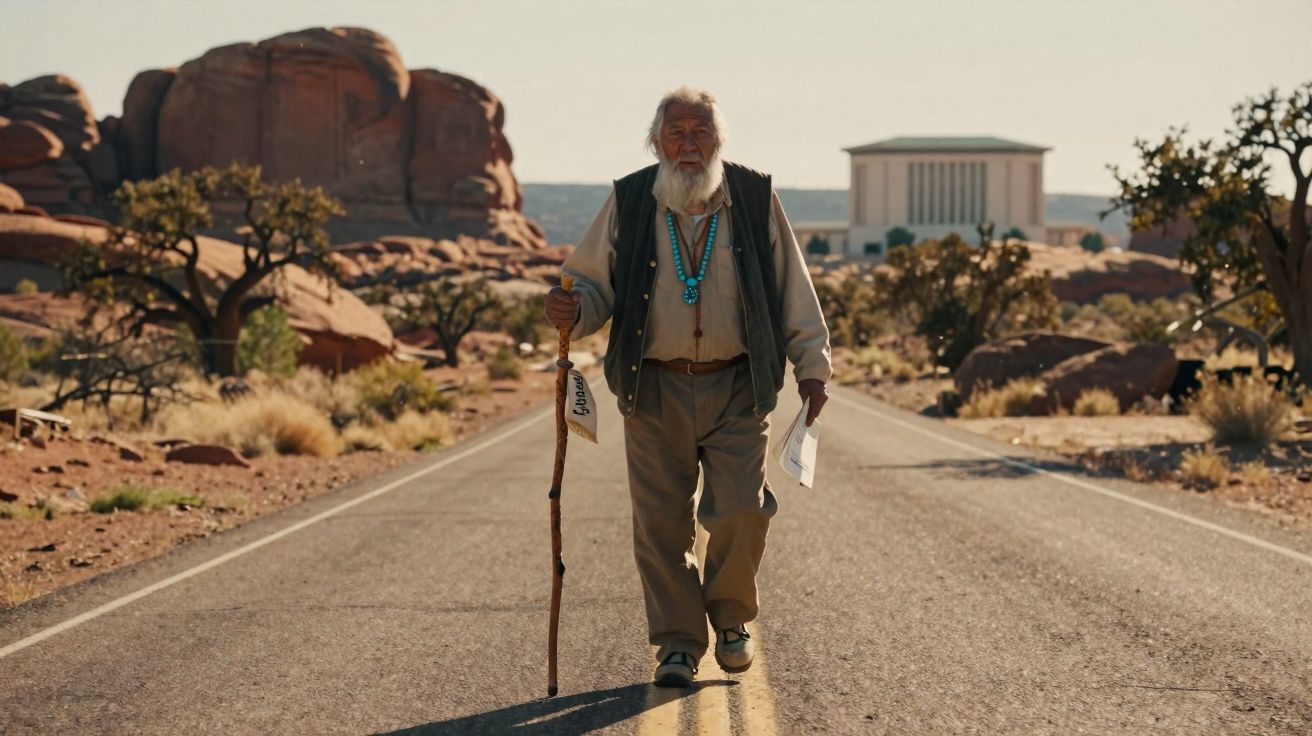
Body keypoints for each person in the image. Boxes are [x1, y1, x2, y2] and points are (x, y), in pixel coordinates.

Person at [544, 85, 832, 687]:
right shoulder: (629, 198)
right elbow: (590, 285)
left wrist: (812, 367)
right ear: (656, 142)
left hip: (736, 383)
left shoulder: (754, 196)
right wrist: (573, 308)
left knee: (740, 509)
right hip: (652, 386)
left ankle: (731, 623)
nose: (688, 144)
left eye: (700, 132)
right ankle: (677, 644)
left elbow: (791, 286)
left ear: (719, 141)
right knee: (660, 524)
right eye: (676, 133)